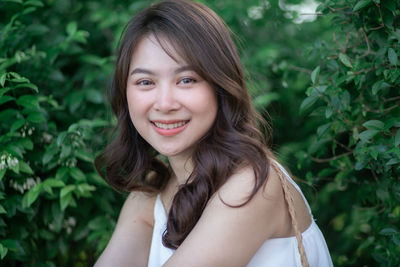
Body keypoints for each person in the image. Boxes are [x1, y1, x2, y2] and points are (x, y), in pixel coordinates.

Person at [94, 0, 333, 266]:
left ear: (220, 86)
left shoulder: (254, 185)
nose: (164, 103)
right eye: (145, 82)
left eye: (186, 80)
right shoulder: (151, 192)